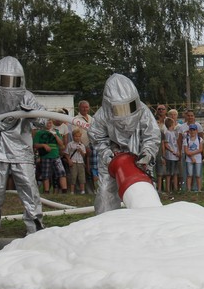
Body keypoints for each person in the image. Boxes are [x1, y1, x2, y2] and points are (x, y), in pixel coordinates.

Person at [0, 56, 49, 238]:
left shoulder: (27, 97)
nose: (10, 86)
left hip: (22, 150)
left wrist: (31, 115)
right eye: (6, 80)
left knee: (29, 188)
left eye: (14, 81)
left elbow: (44, 120)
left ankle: (35, 224)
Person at [88, 73, 162, 213]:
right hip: (111, 160)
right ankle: (107, 226)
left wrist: (147, 154)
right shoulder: (102, 116)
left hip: (139, 157)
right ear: (109, 106)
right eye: (120, 108)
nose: (126, 113)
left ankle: (150, 222)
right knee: (106, 194)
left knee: (144, 192)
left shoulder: (143, 111)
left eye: (129, 106)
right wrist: (109, 156)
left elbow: (152, 135)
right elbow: (96, 137)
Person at [34, 119, 68, 193]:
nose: (49, 123)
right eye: (47, 122)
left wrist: (56, 136)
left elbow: (61, 144)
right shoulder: (39, 133)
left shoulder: (56, 132)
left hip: (56, 155)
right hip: (45, 156)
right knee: (45, 175)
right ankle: (46, 191)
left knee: (61, 173)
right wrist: (43, 145)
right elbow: (35, 145)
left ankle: (64, 191)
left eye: (50, 122)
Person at [65, 128, 87, 194]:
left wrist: (81, 151)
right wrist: (69, 160)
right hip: (73, 162)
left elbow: (84, 155)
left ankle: (82, 191)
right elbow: (66, 153)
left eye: (79, 136)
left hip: (80, 162)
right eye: (76, 136)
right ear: (73, 136)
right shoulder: (70, 144)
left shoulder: (82, 145)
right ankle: (72, 191)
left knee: (82, 177)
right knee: (73, 177)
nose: (77, 138)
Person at [183, 124, 204, 192]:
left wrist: (191, 153)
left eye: (193, 130)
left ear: (196, 131)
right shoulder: (186, 140)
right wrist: (192, 157)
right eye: (191, 130)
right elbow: (186, 151)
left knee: (198, 174)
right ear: (189, 131)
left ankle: (199, 189)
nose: (192, 131)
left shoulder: (199, 139)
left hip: (198, 158)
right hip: (189, 159)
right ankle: (189, 189)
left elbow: (201, 149)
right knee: (189, 174)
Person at [162, 117, 180, 193]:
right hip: (170, 156)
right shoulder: (167, 133)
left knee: (175, 173)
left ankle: (175, 189)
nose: (175, 124)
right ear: (171, 124)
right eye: (173, 123)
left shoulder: (174, 133)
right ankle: (168, 189)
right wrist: (172, 151)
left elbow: (175, 143)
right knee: (169, 173)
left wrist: (178, 151)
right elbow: (166, 144)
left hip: (175, 156)